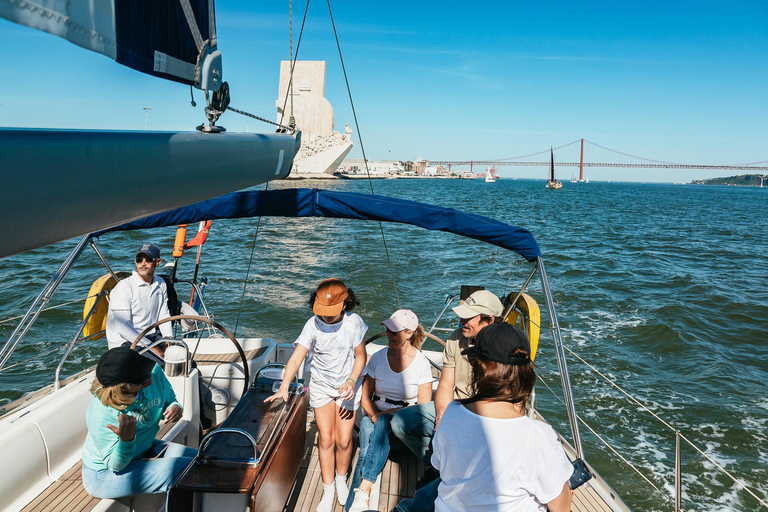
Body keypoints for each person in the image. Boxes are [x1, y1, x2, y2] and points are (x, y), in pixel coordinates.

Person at [431, 322, 573, 511]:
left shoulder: (451, 413)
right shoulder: (537, 435)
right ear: (525, 374)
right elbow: (560, 507)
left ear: (477, 368)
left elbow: (439, 465)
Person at [390, 290, 503, 512]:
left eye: (468, 317)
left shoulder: (504, 348)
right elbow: (445, 385)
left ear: (489, 320)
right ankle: (439, 466)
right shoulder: (455, 338)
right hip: (455, 406)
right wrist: (442, 417)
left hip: (486, 416)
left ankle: (441, 475)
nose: (461, 321)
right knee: (400, 422)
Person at [265, 278, 368, 512]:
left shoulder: (354, 323)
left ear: (345, 304)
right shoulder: (312, 324)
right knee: (326, 438)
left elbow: (361, 356)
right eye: (322, 311)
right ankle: (328, 486)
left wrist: (352, 380)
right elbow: (297, 357)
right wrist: (284, 387)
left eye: (331, 312)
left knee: (343, 440)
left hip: (347, 387)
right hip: (321, 385)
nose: (326, 316)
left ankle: (341, 480)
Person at [347, 309, 434, 512]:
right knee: (368, 443)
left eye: (395, 332)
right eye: (388, 330)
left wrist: (385, 415)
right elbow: (365, 398)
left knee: (375, 436)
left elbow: (422, 410)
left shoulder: (421, 364)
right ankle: (360, 497)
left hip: (402, 432)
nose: (389, 335)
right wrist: (376, 415)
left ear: (410, 333)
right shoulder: (377, 358)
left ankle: (360, 495)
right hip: (375, 418)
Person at [81, 347, 196, 498]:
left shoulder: (153, 371)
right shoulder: (101, 411)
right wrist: (126, 440)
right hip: (103, 474)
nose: (149, 375)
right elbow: (115, 465)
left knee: (201, 460)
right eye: (142, 377)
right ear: (125, 388)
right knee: (188, 469)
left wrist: (175, 407)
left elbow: (170, 400)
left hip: (143, 449)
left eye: (144, 366)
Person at [106, 243, 173, 364]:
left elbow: (164, 314)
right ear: (135, 262)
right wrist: (153, 348)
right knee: (161, 364)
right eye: (139, 259)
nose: (143, 263)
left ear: (158, 262)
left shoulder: (160, 283)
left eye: (148, 260)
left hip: (151, 336)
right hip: (126, 341)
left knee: (184, 359)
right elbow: (123, 327)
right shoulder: (124, 287)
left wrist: (168, 340)